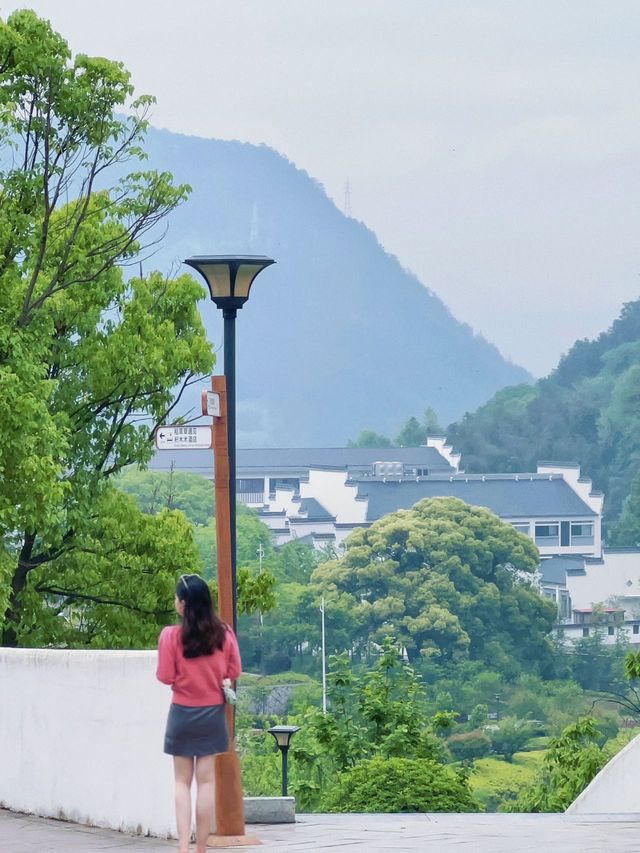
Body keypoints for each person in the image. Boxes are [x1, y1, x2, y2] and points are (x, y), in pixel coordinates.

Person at [157, 573, 241, 853]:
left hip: (182, 713)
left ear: (183, 604)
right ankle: (201, 847)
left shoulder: (170, 636)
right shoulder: (224, 634)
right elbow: (234, 671)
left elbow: (165, 676)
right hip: (212, 715)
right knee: (206, 782)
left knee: (182, 782)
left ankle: (183, 846)